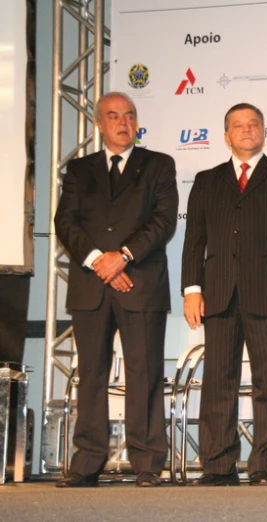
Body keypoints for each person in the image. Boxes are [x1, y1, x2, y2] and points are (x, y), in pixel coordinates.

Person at [181, 103, 267, 486]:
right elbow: (194, 242)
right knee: (218, 383)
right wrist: (192, 289)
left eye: (253, 124)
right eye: (238, 125)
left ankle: (264, 466)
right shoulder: (206, 180)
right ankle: (218, 465)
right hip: (218, 295)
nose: (247, 130)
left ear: (264, 131)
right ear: (226, 135)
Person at [54, 92, 178, 487]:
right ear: (99, 124)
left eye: (129, 116)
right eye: (113, 116)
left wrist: (122, 257)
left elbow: (163, 222)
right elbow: (66, 223)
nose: (123, 123)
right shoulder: (78, 169)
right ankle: (88, 461)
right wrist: (99, 261)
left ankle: (147, 462)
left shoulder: (158, 164)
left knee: (144, 373)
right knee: (91, 373)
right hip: (92, 285)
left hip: (141, 282)